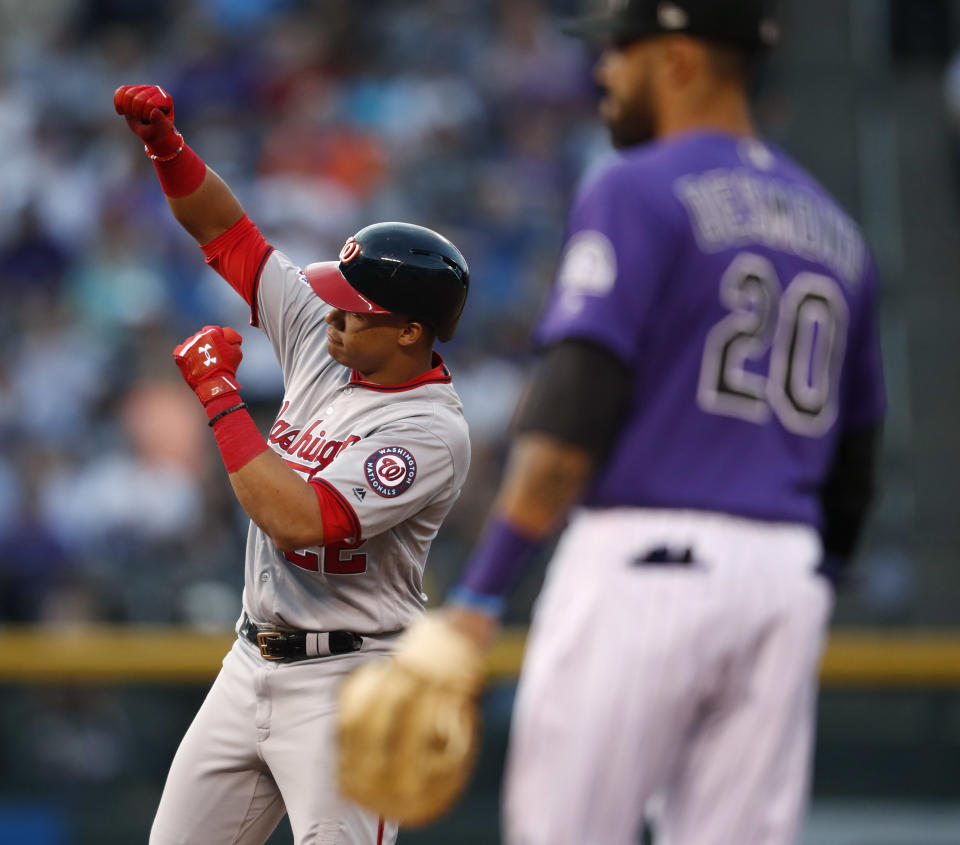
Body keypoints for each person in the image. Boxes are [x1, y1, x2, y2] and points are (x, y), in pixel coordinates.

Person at [342, 1, 886, 844]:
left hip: (644, 563)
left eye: (619, 52)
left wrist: (479, 597)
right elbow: (855, 463)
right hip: (786, 576)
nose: (602, 72)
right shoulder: (840, 235)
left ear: (676, 59)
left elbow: (570, 421)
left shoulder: (638, 186)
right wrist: (804, 586)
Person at [113, 83, 471, 845]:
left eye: (355, 309)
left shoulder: (431, 431)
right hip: (249, 660)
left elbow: (295, 519)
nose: (332, 314)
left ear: (411, 332)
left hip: (351, 681)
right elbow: (229, 236)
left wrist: (218, 397)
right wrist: (167, 149)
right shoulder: (326, 340)